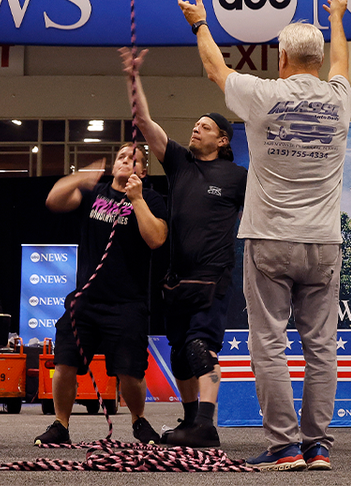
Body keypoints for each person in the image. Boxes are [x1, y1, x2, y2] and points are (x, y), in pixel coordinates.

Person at [177, 0, 351, 471]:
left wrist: (200, 25)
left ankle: (285, 446)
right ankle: (317, 447)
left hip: (270, 239)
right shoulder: (340, 99)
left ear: (283, 59)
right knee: (321, 347)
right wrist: (336, 18)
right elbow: (341, 61)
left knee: (269, 342)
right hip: (323, 242)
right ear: (314, 59)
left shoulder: (264, 95)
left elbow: (217, 71)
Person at [119, 47, 248, 449]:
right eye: (194, 124)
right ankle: (191, 422)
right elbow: (144, 121)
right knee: (178, 352)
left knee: (199, 346)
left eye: (204, 127)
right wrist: (133, 77)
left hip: (212, 277)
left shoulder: (237, 176)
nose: (195, 129)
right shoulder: (179, 163)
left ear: (222, 139)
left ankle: (207, 425)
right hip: (175, 281)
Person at [33, 143, 168, 446]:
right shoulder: (95, 195)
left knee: (129, 371)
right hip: (86, 300)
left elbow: (157, 238)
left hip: (127, 303)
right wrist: (83, 175)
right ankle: (60, 424)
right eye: (120, 157)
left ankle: (139, 421)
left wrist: (137, 199)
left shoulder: (152, 200)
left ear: (142, 171)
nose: (124, 161)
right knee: (65, 362)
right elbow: (54, 199)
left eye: (132, 160)